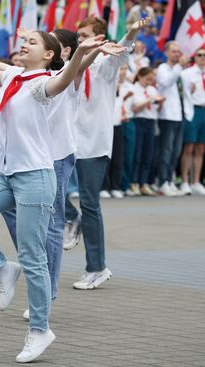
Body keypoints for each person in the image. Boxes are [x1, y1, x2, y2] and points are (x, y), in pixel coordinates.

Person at [0, 31, 107, 362]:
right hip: (9, 176)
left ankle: (40, 329)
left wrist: (79, 56)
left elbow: (66, 79)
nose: (25, 44)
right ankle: (3, 268)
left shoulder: (44, 83)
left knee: (34, 256)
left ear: (48, 55)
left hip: (36, 179)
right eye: (25, 40)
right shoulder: (15, 75)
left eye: (33, 42)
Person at [63, 17, 148, 290]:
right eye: (78, 36)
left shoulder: (105, 64)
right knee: (49, 191)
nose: (80, 40)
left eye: (85, 34)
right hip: (66, 142)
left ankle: (96, 268)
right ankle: (71, 218)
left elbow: (122, 50)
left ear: (100, 39)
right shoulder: (71, 64)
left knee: (90, 204)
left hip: (93, 144)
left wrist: (132, 32)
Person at [179, 48, 205, 195]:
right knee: (189, 146)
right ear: (195, 58)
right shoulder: (186, 73)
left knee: (201, 148)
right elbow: (180, 91)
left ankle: (195, 181)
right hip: (192, 110)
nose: (202, 57)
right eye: (199, 55)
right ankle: (184, 181)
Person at [156, 41, 188, 196]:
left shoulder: (179, 71)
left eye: (178, 51)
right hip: (167, 115)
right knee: (166, 150)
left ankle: (169, 180)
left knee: (176, 151)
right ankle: (162, 182)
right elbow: (165, 82)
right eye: (174, 51)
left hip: (179, 114)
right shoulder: (163, 68)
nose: (177, 54)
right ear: (166, 52)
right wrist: (178, 67)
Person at [131, 67, 164, 196]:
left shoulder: (151, 89)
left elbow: (157, 108)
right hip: (140, 120)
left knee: (148, 153)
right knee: (138, 153)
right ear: (140, 76)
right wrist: (150, 99)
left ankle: (143, 182)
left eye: (151, 79)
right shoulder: (134, 88)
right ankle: (134, 182)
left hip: (151, 120)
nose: (149, 81)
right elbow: (135, 108)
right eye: (147, 78)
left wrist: (160, 102)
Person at [102, 64, 134, 199]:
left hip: (118, 125)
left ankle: (115, 186)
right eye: (121, 68)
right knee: (105, 157)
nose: (123, 72)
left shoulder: (128, 86)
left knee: (118, 158)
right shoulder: (107, 84)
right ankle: (104, 187)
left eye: (125, 69)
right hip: (105, 125)